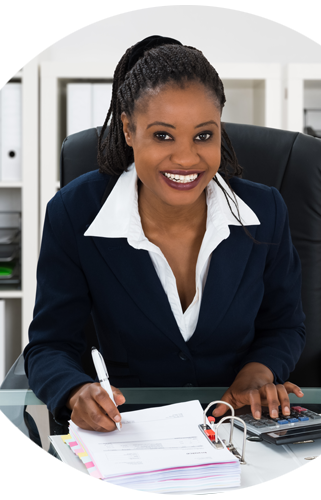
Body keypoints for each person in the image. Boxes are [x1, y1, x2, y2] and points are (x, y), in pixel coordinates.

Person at [23, 35, 306, 433]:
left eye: (203, 136)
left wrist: (258, 373)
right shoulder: (75, 213)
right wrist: (74, 392)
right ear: (127, 129)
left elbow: (284, 325)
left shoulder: (265, 211)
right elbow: (49, 345)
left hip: (238, 429)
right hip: (128, 434)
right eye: (162, 135)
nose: (186, 158)